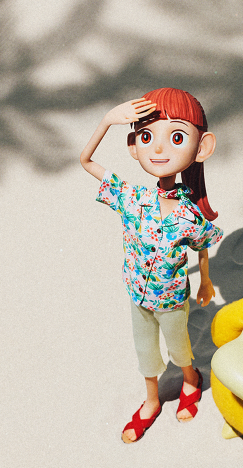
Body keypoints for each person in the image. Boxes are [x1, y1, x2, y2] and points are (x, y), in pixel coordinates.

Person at [80, 88, 224, 443]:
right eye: (146, 137)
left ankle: (190, 380)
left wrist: (205, 281)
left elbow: (203, 246)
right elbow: (86, 161)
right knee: (144, 351)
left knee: (179, 347)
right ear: (133, 146)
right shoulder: (132, 198)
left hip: (172, 298)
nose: (159, 149)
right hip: (137, 293)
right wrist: (107, 121)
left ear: (202, 148)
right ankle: (151, 400)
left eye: (177, 137)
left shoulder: (190, 215)